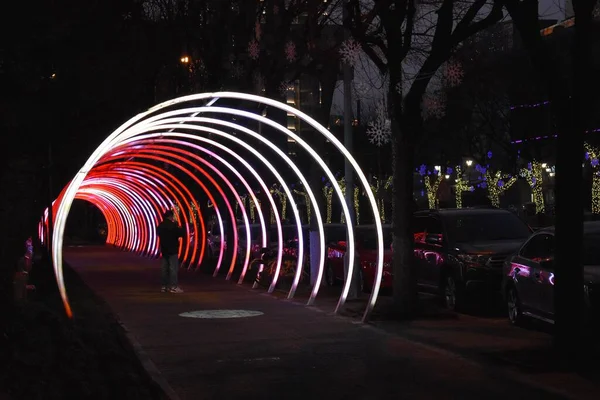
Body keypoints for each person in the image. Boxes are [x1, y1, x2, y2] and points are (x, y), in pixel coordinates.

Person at [157, 210, 185, 293]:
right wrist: (178, 226)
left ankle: (164, 286)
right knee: (173, 268)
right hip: (173, 250)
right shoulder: (173, 225)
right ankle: (173, 287)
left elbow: (158, 233)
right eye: (172, 216)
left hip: (164, 250)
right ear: (170, 216)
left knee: (164, 269)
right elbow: (181, 233)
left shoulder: (160, 226)